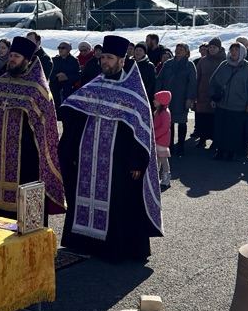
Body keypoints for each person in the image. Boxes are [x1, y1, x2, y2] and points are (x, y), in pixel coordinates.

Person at [59, 34, 161, 261]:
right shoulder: (94, 85)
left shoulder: (133, 91)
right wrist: (72, 149)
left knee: (117, 201)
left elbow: (142, 128)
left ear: (122, 61)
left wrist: (137, 160)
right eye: (103, 57)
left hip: (118, 159)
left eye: (110, 58)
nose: (104, 62)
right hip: (88, 156)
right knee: (84, 195)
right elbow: (77, 118)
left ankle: (114, 248)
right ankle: (84, 242)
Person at [0, 36, 65, 219]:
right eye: (11, 55)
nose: (12, 59)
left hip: (26, 158)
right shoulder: (0, 83)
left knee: (24, 214)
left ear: (27, 60)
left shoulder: (37, 88)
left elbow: (45, 129)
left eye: (16, 56)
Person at [208, 42, 248, 161]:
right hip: (222, 104)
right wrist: (213, 96)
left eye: (237, 50)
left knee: (234, 130)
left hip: (238, 105)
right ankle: (220, 151)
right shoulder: (224, 65)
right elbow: (213, 82)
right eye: (232, 50)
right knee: (221, 129)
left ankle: (232, 152)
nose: (234, 52)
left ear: (242, 52)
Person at [156, 43, 196, 157]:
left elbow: (192, 83)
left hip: (182, 98)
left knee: (182, 122)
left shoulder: (189, 65)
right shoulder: (168, 64)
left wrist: (190, 98)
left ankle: (181, 147)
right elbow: (160, 79)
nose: (178, 51)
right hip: (168, 98)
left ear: (186, 52)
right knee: (169, 123)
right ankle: (170, 145)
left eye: (181, 49)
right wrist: (158, 95)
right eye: (177, 49)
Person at [193, 37, 225, 148]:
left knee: (215, 119)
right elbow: (197, 77)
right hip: (202, 94)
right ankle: (202, 138)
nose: (212, 49)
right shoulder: (203, 60)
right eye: (210, 47)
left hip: (217, 95)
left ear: (219, 48)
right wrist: (195, 93)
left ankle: (215, 140)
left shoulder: (224, 60)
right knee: (202, 118)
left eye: (214, 47)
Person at [49, 40, 79, 110]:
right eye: (59, 48)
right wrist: (57, 75)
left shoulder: (74, 61)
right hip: (55, 88)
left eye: (63, 48)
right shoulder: (54, 60)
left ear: (68, 50)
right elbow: (49, 73)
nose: (60, 50)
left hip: (68, 89)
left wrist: (67, 77)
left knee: (66, 110)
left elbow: (78, 75)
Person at [153, 90, 172, 189]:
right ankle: (158, 177)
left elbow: (164, 128)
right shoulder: (159, 112)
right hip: (159, 140)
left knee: (163, 160)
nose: (153, 101)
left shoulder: (164, 113)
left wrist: (154, 134)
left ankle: (166, 179)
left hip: (161, 140)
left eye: (155, 100)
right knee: (158, 159)